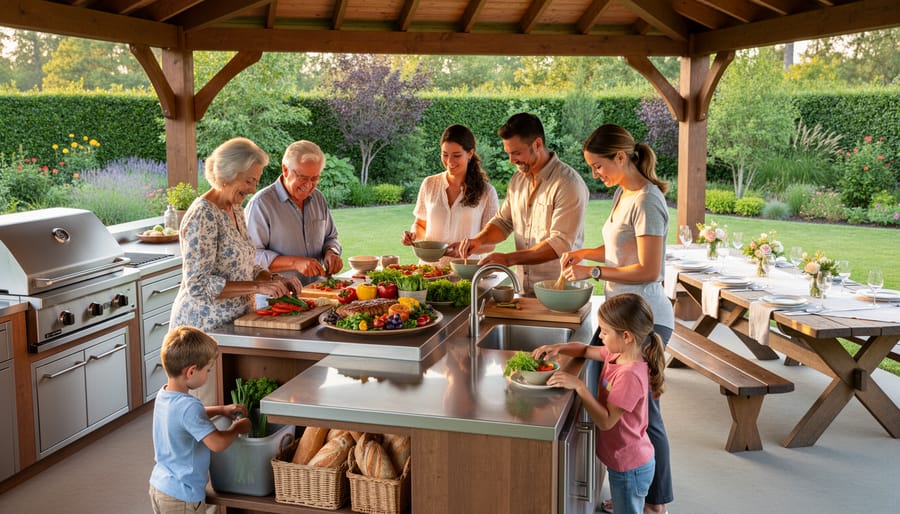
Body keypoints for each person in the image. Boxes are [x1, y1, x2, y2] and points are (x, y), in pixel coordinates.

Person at [559, 124, 674, 513]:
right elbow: (616, 246)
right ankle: (634, 488)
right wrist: (584, 255)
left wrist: (593, 274)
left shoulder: (648, 201)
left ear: (620, 157)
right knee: (633, 408)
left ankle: (655, 502)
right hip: (621, 314)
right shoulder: (625, 194)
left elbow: (649, 269)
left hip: (645, 320)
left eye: (598, 166)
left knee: (646, 414)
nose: (596, 174)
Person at [170, 137, 301, 404]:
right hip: (203, 334)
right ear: (228, 174)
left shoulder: (234, 208)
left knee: (231, 411)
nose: (253, 188)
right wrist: (257, 287)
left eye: (255, 180)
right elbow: (198, 285)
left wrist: (271, 278)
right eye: (249, 180)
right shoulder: (202, 215)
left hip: (232, 328)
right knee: (206, 414)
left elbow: (242, 264)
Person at [532, 294, 666, 514]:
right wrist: (560, 347)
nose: (600, 336)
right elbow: (585, 350)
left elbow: (606, 422)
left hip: (629, 467)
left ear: (627, 336)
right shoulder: (616, 354)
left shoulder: (630, 374)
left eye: (605, 331)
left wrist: (580, 387)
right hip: (624, 461)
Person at [454, 112, 589, 293]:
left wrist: (509, 259)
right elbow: (503, 223)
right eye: (508, 153)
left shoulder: (568, 184)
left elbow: (559, 244)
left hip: (561, 292)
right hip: (525, 291)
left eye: (517, 153)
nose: (511, 160)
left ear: (538, 144)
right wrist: (478, 240)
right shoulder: (517, 181)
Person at [149, 326, 251, 514]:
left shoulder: (163, 395)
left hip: (160, 486)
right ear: (191, 371)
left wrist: (220, 409)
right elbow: (217, 443)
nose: (208, 374)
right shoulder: (189, 406)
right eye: (208, 370)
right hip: (183, 496)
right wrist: (237, 428)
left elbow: (184, 419)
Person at [246, 140, 343, 284]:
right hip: (278, 298)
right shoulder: (261, 204)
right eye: (303, 178)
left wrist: (331, 252)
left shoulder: (318, 198)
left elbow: (331, 237)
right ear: (285, 170)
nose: (309, 185)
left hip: (317, 292)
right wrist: (294, 263)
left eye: (315, 178)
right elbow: (251, 256)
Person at [401, 124, 499, 265]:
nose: (449, 161)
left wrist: (467, 248)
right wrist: (413, 235)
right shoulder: (429, 184)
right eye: (445, 154)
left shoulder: (487, 192)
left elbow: (490, 243)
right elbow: (421, 224)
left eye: (456, 155)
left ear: (470, 153)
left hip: (465, 272)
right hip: (430, 270)